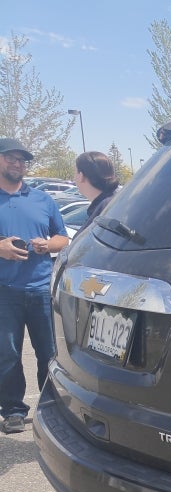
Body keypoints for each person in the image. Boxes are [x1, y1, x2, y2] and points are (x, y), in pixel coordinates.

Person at [0, 138, 69, 434]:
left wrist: (47, 245)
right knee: (7, 354)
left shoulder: (43, 200)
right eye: (11, 158)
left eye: (22, 160)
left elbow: (62, 238)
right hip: (4, 292)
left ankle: (50, 407)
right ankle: (13, 411)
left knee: (49, 352)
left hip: (41, 288)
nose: (18, 164)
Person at [74, 150, 120, 228]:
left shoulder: (104, 211)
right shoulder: (116, 201)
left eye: (75, 173)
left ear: (81, 176)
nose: (74, 178)